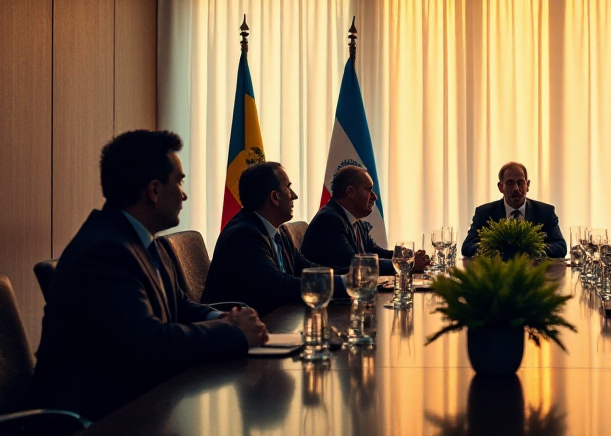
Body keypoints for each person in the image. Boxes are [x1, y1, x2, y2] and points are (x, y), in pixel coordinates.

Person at [33, 130, 267, 420]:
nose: (184, 194)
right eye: (179, 182)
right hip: (102, 419)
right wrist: (231, 331)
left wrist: (221, 317)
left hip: (145, 401)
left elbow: (178, 305)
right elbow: (150, 345)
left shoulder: (141, 240)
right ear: (154, 191)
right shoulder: (105, 251)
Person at [204, 162, 345, 315]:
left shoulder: (278, 229)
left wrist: (349, 276)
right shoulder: (244, 235)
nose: (294, 196)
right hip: (241, 328)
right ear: (275, 197)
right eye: (288, 187)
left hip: (275, 316)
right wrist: (344, 283)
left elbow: (304, 267)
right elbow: (278, 286)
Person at [302, 165, 426, 276]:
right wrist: (406, 264)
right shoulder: (329, 220)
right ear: (350, 192)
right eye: (368, 190)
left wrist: (407, 256)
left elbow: (374, 252)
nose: (374, 197)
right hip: (332, 298)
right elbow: (355, 264)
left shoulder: (353, 219)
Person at [460, 162, 567, 258]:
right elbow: (468, 247)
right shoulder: (484, 213)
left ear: (528, 185)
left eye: (520, 182)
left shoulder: (545, 212)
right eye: (510, 183)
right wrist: (499, 251)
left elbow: (560, 247)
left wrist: (531, 250)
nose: (516, 188)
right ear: (501, 187)